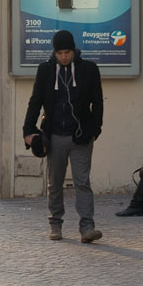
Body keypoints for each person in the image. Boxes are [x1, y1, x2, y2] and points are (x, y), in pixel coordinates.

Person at [22, 30, 104, 244]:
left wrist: (95, 129)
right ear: (54, 52)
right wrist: (28, 129)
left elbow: (98, 101)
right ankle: (55, 222)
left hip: (81, 135)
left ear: (73, 50)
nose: (64, 57)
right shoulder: (45, 70)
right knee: (55, 182)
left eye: (67, 52)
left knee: (82, 181)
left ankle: (87, 226)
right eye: (60, 52)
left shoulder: (89, 69)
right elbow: (35, 100)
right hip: (55, 134)